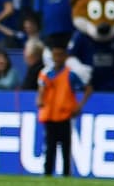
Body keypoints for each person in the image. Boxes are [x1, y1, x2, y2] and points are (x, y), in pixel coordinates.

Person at [36, 40, 92, 177]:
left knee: (66, 148)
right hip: (50, 115)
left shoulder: (70, 74)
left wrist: (79, 105)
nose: (58, 58)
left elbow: (88, 88)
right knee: (50, 148)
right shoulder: (46, 73)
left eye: (60, 55)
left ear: (65, 57)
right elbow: (41, 90)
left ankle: (66, 174)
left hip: (65, 116)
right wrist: (39, 100)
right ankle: (47, 173)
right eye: (55, 55)